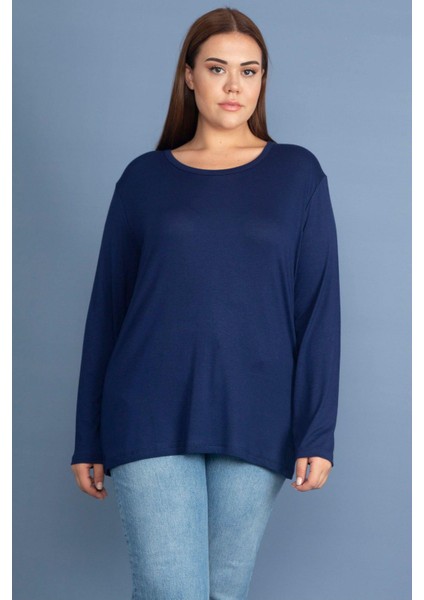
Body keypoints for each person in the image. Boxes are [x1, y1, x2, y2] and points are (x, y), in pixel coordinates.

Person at [70, 6, 341, 599]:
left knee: (222, 592)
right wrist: (87, 435)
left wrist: (316, 431)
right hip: (147, 409)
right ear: (189, 76)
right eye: (217, 68)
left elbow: (318, 309)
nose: (233, 85)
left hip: (258, 415)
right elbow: (107, 310)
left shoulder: (298, 175)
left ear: (263, 79)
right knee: (174, 591)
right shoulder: (143, 180)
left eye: (249, 70)